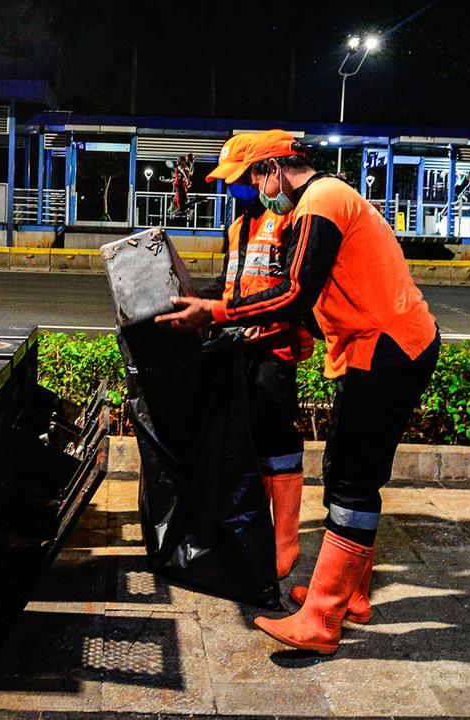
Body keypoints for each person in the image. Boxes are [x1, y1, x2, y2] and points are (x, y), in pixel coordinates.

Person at [156, 129, 440, 654]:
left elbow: (292, 290)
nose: (249, 193)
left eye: (249, 181)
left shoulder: (322, 201)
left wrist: (214, 313)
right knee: (345, 469)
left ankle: (322, 620)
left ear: (272, 169)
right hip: (378, 347)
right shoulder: (320, 200)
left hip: (389, 347)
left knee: (353, 478)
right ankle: (350, 595)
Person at [195, 134, 314, 579]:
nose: (235, 190)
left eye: (241, 180)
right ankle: (255, 533)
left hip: (275, 352)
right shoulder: (237, 227)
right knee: (247, 443)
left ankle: (285, 543)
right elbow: (233, 286)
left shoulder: (291, 220)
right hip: (239, 349)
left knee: (277, 443)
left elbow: (299, 287)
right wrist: (188, 303)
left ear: (263, 173)